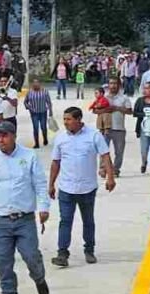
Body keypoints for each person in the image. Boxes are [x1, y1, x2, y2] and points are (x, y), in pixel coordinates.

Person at [0, 121, 51, 294]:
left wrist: (43, 208)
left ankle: (39, 278)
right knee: (2, 261)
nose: (1, 139)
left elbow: (40, 184)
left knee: (30, 255)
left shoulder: (29, 156)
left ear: (14, 136)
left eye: (4, 135)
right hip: (1, 221)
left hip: (25, 219)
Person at [48, 107, 117, 268]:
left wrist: (110, 177)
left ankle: (89, 250)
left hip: (87, 188)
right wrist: (51, 184)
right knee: (65, 221)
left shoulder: (93, 135)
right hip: (66, 188)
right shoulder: (60, 138)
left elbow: (105, 156)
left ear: (79, 120)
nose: (65, 123)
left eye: (69, 119)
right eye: (64, 119)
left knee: (88, 220)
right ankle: (62, 253)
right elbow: (55, 162)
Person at [96, 77, 132, 177]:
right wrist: (107, 110)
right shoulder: (103, 98)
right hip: (105, 129)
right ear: (108, 85)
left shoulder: (124, 98)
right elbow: (95, 111)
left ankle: (116, 169)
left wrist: (117, 108)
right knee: (103, 150)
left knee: (119, 152)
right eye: (111, 83)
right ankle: (103, 169)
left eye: (115, 83)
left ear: (119, 85)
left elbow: (130, 111)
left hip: (119, 129)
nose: (113, 86)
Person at [24, 79, 53, 148]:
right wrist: (28, 107)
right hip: (34, 113)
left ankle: (45, 139)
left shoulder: (44, 91)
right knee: (35, 128)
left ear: (40, 84)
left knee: (43, 127)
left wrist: (50, 111)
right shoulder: (30, 92)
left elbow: (48, 101)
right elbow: (25, 102)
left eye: (37, 83)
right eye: (34, 83)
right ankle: (36, 143)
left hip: (43, 112)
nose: (35, 84)